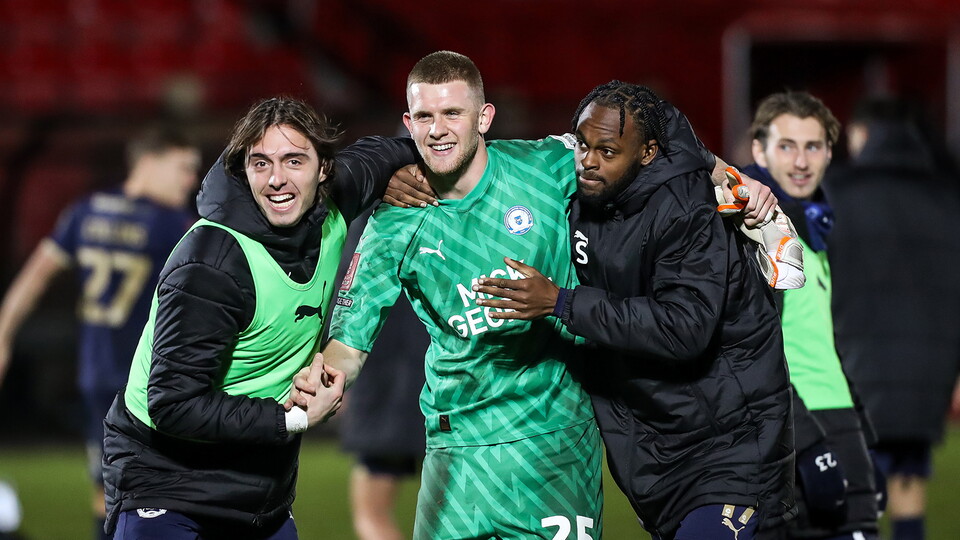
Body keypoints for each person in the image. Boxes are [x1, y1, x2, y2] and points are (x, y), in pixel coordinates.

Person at [292, 53, 785, 539]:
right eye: (424, 116)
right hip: (458, 451)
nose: (437, 129)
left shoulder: (548, 166)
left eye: (452, 113)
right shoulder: (393, 222)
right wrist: (330, 376)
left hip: (556, 445)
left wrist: (735, 180)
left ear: (483, 118)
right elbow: (349, 341)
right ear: (408, 121)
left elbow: (652, 149)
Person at [472, 80, 796, 540]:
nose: (588, 161)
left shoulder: (687, 209)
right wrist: (401, 169)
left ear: (646, 153)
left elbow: (685, 327)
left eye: (607, 151)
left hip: (731, 445)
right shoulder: (585, 195)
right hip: (657, 451)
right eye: (583, 145)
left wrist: (560, 302)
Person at [100, 97, 419, 539]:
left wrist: (410, 172)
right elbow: (173, 404)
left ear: (324, 168)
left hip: (260, 489)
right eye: (260, 162)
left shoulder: (338, 195)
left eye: (293, 160)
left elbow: (401, 148)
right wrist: (294, 419)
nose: (277, 179)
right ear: (242, 170)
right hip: (167, 481)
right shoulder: (211, 263)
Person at [0, 125, 201, 540]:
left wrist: (3, 334)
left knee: (107, 487)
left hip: (96, 375)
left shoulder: (85, 210)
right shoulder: (175, 226)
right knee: (169, 492)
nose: (190, 181)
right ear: (149, 161)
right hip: (151, 379)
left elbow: (36, 277)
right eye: (183, 168)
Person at [741, 90, 880, 539]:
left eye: (813, 146)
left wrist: (865, 437)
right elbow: (751, 349)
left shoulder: (810, 226)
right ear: (759, 150)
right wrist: (809, 444)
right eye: (787, 146)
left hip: (839, 425)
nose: (801, 161)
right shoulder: (754, 228)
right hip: (793, 432)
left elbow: (825, 343)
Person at [826, 97, 960, 540]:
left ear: (864, 134)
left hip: (857, 363)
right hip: (928, 369)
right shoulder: (947, 194)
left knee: (858, 490)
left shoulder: (839, 191)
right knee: (908, 480)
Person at [336, 207, 428, 540]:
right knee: (466, 514)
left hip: (384, 381)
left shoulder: (371, 215)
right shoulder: (456, 203)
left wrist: (339, 374)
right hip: (448, 378)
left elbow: (348, 297)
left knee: (371, 512)